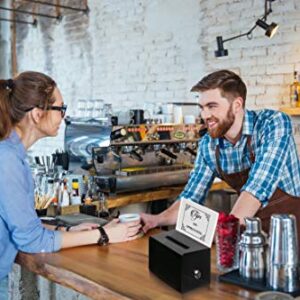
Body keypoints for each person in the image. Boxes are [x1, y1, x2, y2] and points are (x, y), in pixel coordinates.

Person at [0, 71, 141, 299]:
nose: (63, 117)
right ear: (37, 114)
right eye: (61, 109)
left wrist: (65, 229)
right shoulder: (7, 159)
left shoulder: (13, 153)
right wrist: (104, 234)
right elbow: (31, 240)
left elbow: (23, 224)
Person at [141, 69, 300, 238]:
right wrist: (157, 219)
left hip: (292, 229)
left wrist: (226, 231)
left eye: (212, 106)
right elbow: (191, 197)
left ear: (237, 105)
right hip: (251, 229)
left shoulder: (272, 124)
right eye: (201, 107)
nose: (204, 115)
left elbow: (258, 188)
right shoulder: (208, 145)